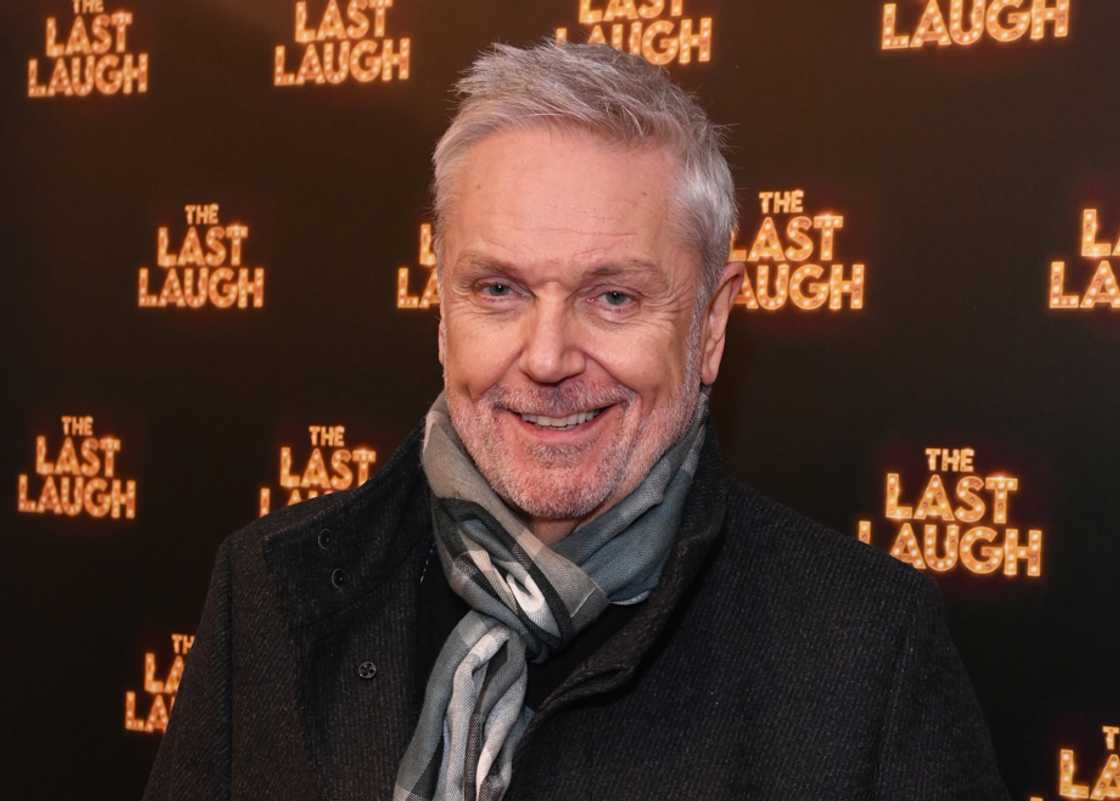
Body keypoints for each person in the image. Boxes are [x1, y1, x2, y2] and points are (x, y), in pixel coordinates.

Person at [142, 41, 1011, 801]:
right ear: (442, 307)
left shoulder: (864, 654)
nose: (548, 356)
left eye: (613, 296)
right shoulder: (270, 590)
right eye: (498, 290)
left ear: (710, 325)